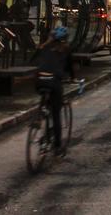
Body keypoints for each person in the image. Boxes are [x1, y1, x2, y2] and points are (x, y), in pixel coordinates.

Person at [32, 26, 75, 156]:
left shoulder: (44, 47)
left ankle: (41, 113)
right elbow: (70, 68)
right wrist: (72, 78)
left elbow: (34, 60)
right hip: (54, 82)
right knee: (56, 114)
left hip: (39, 80)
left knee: (45, 100)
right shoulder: (65, 49)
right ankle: (57, 147)